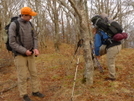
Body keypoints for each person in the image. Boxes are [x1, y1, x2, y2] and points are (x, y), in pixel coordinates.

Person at [9, 7, 44, 101]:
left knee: (34, 73)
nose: (31, 18)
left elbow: (35, 37)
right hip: (20, 55)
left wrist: (36, 48)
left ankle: (35, 91)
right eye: (30, 16)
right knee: (22, 76)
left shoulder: (30, 23)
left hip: (31, 53)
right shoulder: (14, 24)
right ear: (24, 15)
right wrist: (24, 51)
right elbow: (12, 42)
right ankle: (24, 94)